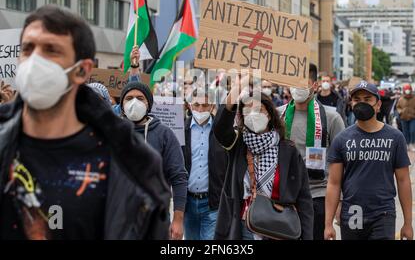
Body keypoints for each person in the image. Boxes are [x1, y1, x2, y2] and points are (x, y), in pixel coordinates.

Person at [0, 5, 170, 240]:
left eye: (51, 50)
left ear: (82, 70)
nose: (34, 62)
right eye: (28, 49)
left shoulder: (130, 163)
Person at [213, 76, 314, 240]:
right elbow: (220, 129)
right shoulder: (238, 144)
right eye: (248, 111)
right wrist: (237, 89)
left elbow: (304, 199)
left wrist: (307, 236)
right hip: (245, 227)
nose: (254, 115)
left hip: (279, 228)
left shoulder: (288, 151)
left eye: (259, 110)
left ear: (269, 113)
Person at [325, 81, 413, 240]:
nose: (362, 103)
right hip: (352, 213)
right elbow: (334, 183)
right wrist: (328, 224)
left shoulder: (395, 137)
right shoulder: (341, 139)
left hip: (383, 214)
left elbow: (403, 180)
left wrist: (408, 223)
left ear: (378, 105)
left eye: (367, 99)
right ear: (351, 103)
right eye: (357, 100)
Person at [278, 64, 345, 240]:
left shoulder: (331, 118)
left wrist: (340, 202)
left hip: (319, 196)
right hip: (284, 197)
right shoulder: (278, 116)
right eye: (293, 82)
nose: (297, 87)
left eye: (302, 82)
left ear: (314, 85)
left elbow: (343, 163)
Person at [119, 81, 188, 240]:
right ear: (122, 104)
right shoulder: (112, 132)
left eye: (140, 98)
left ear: (148, 104)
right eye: (128, 98)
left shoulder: (165, 135)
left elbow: (179, 178)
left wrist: (178, 220)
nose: (134, 102)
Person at [182, 88, 228, 240]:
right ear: (190, 106)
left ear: (212, 107)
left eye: (205, 105)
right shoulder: (181, 130)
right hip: (187, 204)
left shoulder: (220, 131)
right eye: (197, 105)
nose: (201, 109)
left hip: (212, 203)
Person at [397, 84, 415, 152]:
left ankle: (412, 144)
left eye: (409, 91)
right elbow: (398, 107)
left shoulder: (414, 98)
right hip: (403, 118)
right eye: (406, 91)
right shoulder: (401, 99)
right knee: (405, 132)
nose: (407, 92)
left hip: (413, 117)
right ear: (404, 91)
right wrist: (401, 112)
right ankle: (406, 144)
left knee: (412, 131)